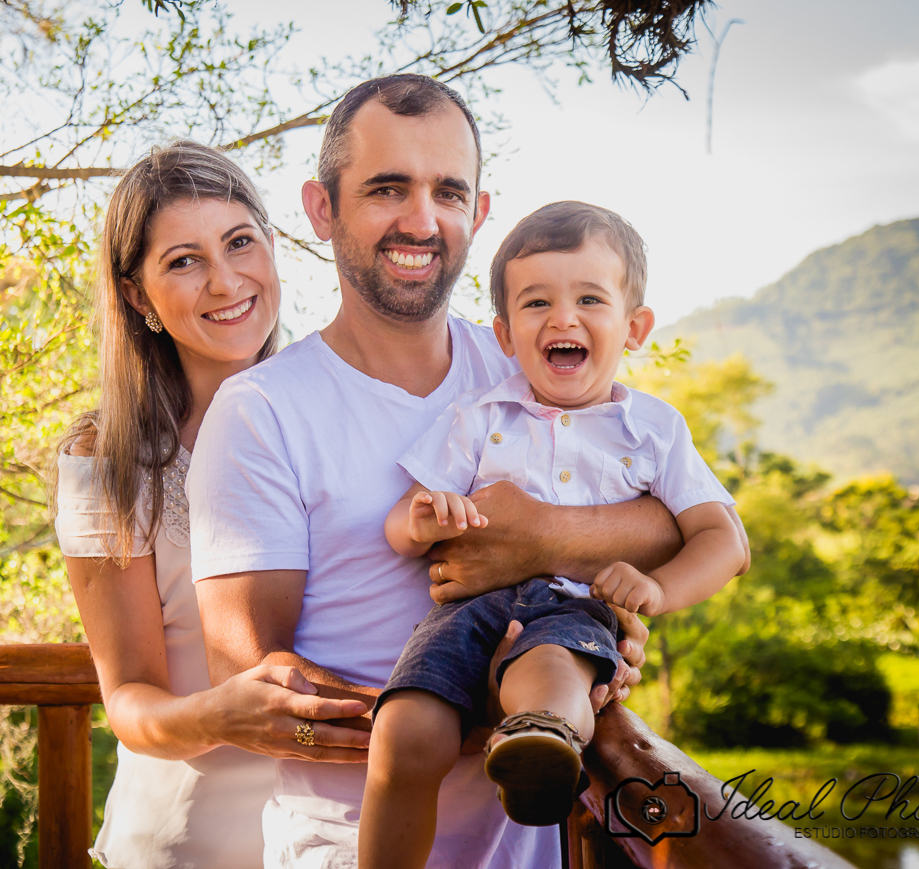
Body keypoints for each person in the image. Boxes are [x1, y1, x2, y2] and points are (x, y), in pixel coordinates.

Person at [191, 74, 748, 868]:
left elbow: (686, 523)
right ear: (321, 208)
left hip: (527, 850)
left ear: (478, 213)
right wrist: (447, 708)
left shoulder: (528, 363)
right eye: (387, 188)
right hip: (339, 846)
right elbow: (253, 679)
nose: (422, 221)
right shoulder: (262, 410)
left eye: (448, 192)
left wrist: (551, 565)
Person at [360, 201, 748, 867]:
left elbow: (723, 538)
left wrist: (658, 588)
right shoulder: (480, 416)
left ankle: (541, 750)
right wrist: (422, 520)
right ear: (506, 334)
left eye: (589, 299)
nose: (562, 318)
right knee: (403, 733)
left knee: (549, 674)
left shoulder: (654, 430)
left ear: (635, 327)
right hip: (464, 611)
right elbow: (401, 521)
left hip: (576, 608)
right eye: (537, 302)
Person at [53, 141, 370, 869]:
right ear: (139, 297)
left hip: (341, 840)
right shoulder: (104, 460)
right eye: (184, 261)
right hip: (184, 845)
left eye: (239, 242)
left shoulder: (343, 408)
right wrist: (221, 715)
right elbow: (129, 698)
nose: (225, 281)